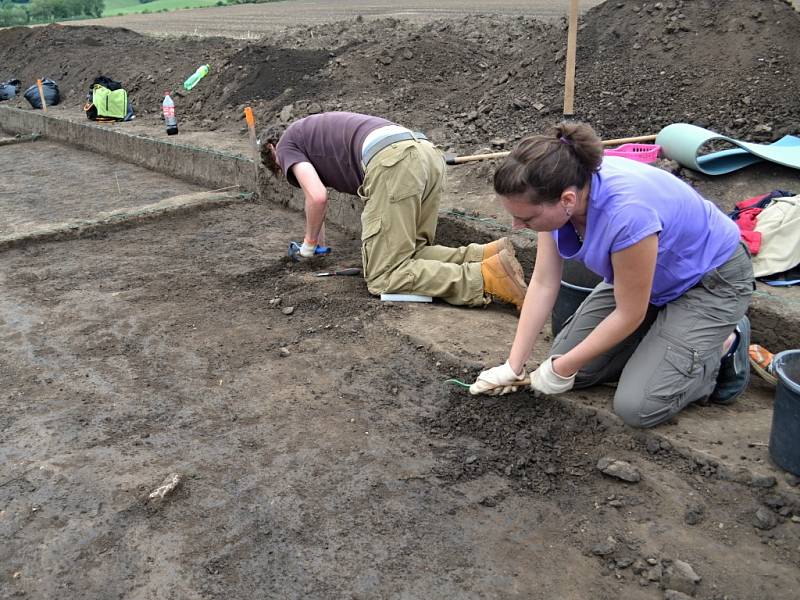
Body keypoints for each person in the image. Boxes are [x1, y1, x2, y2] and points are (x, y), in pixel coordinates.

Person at [470, 122, 754, 428]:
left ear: (566, 200)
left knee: (638, 406)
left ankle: (725, 344)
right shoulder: (559, 197)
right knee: (572, 367)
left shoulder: (627, 215)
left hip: (709, 281)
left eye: (525, 218)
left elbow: (630, 313)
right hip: (646, 281)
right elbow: (543, 282)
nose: (516, 226)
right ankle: (665, 340)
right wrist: (514, 365)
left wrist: (562, 368)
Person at [260, 111, 527, 309]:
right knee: (413, 252)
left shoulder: (285, 146)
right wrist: (317, 239)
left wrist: (307, 247)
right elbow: (318, 198)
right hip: (425, 154)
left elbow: (316, 198)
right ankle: (488, 255)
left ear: (273, 151)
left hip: (394, 162)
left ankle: (486, 278)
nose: (287, 170)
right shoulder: (313, 133)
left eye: (281, 169)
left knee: (384, 276)